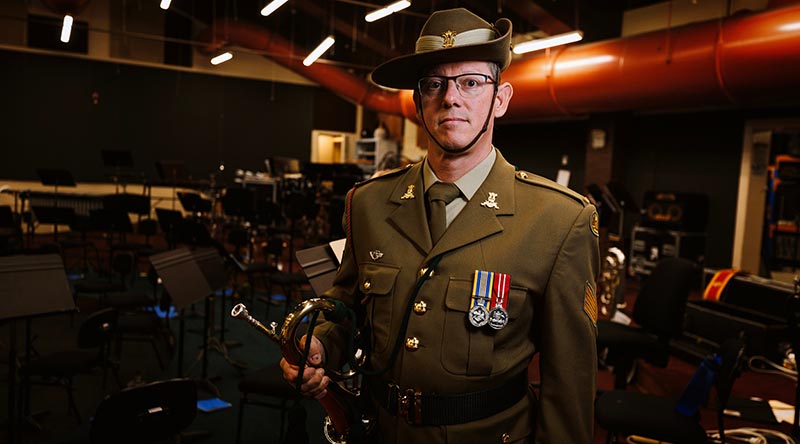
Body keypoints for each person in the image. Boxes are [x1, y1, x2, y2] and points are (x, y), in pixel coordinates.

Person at [281, 7, 599, 444]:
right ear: (417, 103)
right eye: (434, 84)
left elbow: (571, 382)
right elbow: (347, 303)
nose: (451, 98)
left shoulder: (559, 220)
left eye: (471, 82)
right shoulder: (369, 203)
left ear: (500, 99)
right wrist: (319, 341)